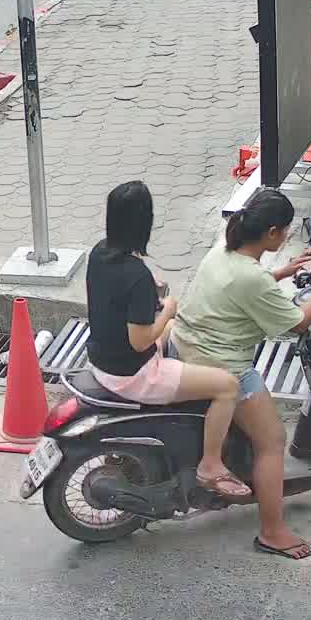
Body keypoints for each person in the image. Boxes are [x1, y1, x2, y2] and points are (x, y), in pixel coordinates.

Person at [171, 188, 311, 561]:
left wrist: (283, 272)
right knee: (273, 441)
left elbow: (241, 287)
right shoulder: (253, 278)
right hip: (223, 364)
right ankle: (273, 531)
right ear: (273, 233)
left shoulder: (223, 250)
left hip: (186, 344)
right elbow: (299, 323)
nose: (289, 236)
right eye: (287, 231)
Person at [86, 182, 251, 500]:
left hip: (102, 360)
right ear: (144, 221)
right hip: (133, 374)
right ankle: (211, 464)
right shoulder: (136, 275)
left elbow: (113, 298)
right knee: (228, 385)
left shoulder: (99, 252)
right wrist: (167, 308)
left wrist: (153, 297)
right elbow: (140, 341)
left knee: (174, 326)